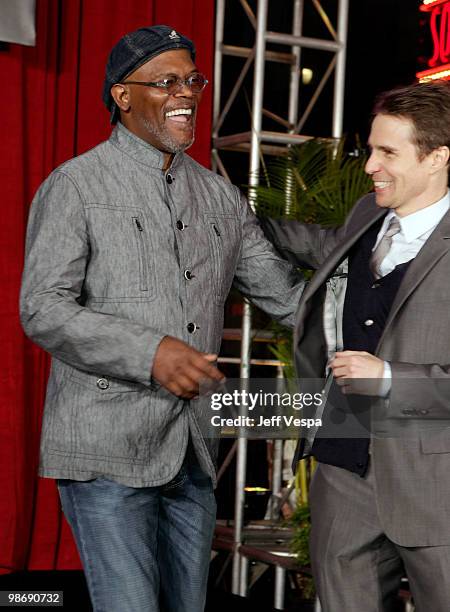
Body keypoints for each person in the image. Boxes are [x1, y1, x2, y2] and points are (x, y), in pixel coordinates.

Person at [19, 25, 304, 612]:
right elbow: (42, 308)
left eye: (193, 80)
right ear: (122, 95)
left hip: (191, 452)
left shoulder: (222, 199)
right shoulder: (75, 185)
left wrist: (394, 271)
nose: (187, 93)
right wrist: (149, 352)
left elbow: (287, 298)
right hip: (105, 451)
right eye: (167, 81)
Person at [261, 81, 450, 612]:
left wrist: (391, 380)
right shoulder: (368, 215)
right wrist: (229, 217)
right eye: (371, 149)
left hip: (435, 485)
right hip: (344, 473)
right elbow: (321, 248)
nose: (370, 166)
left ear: (438, 157)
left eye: (388, 152)